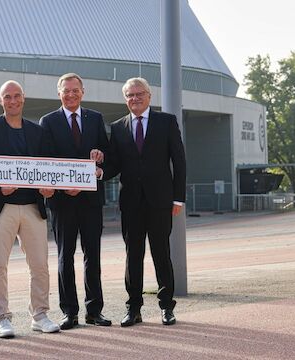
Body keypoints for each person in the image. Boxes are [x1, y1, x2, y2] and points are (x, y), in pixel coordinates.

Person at [0, 80, 60, 338]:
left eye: (17, 96)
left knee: (40, 265)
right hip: (2, 208)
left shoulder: (37, 131)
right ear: (1, 100)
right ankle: (2, 318)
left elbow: (47, 167)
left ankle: (40, 314)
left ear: (23, 99)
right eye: (7, 97)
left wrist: (48, 188)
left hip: (33, 206)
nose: (12, 101)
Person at [106, 77, 186, 327]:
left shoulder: (166, 121)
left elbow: (179, 161)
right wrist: (96, 168)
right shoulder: (118, 127)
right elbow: (113, 166)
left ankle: (166, 307)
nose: (135, 98)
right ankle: (134, 308)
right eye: (130, 95)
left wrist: (178, 198)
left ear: (150, 96)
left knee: (161, 254)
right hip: (131, 203)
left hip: (161, 201)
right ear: (125, 99)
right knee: (133, 256)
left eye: (139, 93)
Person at [39, 73, 112, 330]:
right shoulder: (47, 122)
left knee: (93, 256)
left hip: (91, 201)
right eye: (65, 90)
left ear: (83, 91)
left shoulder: (95, 118)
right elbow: (45, 161)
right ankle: (69, 312)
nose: (70, 94)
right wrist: (61, 188)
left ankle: (95, 310)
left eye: (75, 90)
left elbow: (108, 155)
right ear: (59, 93)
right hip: (62, 202)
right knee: (64, 257)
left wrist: (101, 156)